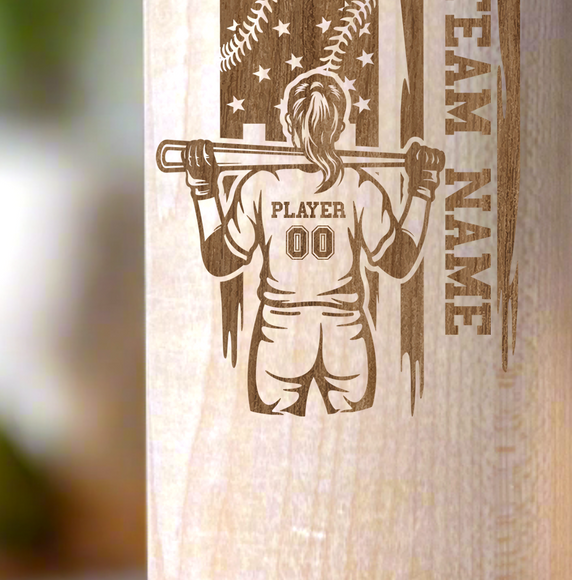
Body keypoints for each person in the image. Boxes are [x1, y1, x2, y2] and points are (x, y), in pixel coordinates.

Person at [183, 67, 442, 415]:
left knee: (272, 439)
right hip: (346, 340)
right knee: (353, 438)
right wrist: (422, 189)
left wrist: (203, 189)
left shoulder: (260, 185)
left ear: (288, 124)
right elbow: (400, 261)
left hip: (279, 338)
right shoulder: (360, 186)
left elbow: (221, 260)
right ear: (339, 127)